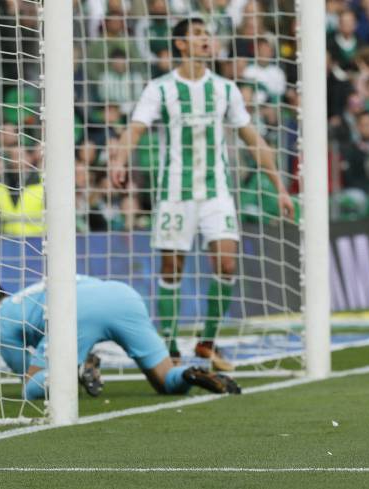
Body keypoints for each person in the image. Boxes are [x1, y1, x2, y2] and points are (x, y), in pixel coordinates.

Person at [111, 18, 294, 370]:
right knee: (172, 268)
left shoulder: (225, 89)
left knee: (227, 263)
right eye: (197, 35)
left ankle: (207, 342)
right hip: (175, 192)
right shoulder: (160, 89)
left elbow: (253, 140)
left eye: (208, 34)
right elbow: (135, 129)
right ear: (181, 44)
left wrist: (280, 188)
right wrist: (119, 159)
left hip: (216, 192)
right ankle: (169, 348)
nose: (206, 40)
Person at [0, 276, 241, 401]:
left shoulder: (1, 321)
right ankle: (189, 373)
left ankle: (78, 369)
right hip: (122, 295)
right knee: (166, 381)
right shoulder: (30, 295)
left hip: (74, 311)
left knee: (32, 389)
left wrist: (63, 367)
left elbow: (30, 377)